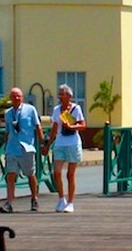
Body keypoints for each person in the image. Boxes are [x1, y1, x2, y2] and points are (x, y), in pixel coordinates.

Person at [0, 87, 44, 213]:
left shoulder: (30, 110)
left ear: (22, 97)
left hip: (27, 147)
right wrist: (5, 147)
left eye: (18, 96)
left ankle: (34, 198)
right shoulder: (8, 113)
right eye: (14, 96)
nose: (16, 98)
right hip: (12, 148)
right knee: (11, 175)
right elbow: (7, 131)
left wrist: (42, 143)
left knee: (30, 174)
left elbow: (37, 126)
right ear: (10, 98)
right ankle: (9, 202)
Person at [46, 84, 86, 213]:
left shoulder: (76, 108)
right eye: (59, 94)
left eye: (62, 94)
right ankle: (61, 198)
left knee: (70, 174)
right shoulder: (57, 110)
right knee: (56, 172)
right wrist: (48, 144)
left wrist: (71, 127)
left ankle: (70, 202)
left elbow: (82, 125)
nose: (60, 96)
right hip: (60, 143)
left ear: (69, 96)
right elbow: (54, 128)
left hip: (73, 143)